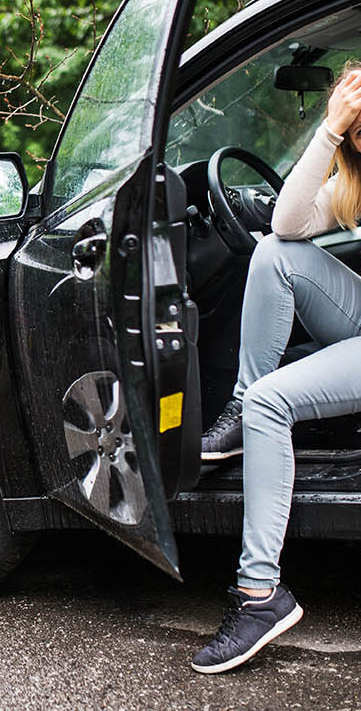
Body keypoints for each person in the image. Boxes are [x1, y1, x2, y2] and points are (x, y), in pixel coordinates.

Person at [191, 64, 361, 674]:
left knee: (274, 402)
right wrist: (329, 134)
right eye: (354, 116)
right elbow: (286, 224)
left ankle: (259, 594)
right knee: (274, 252)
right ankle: (241, 407)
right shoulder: (351, 180)